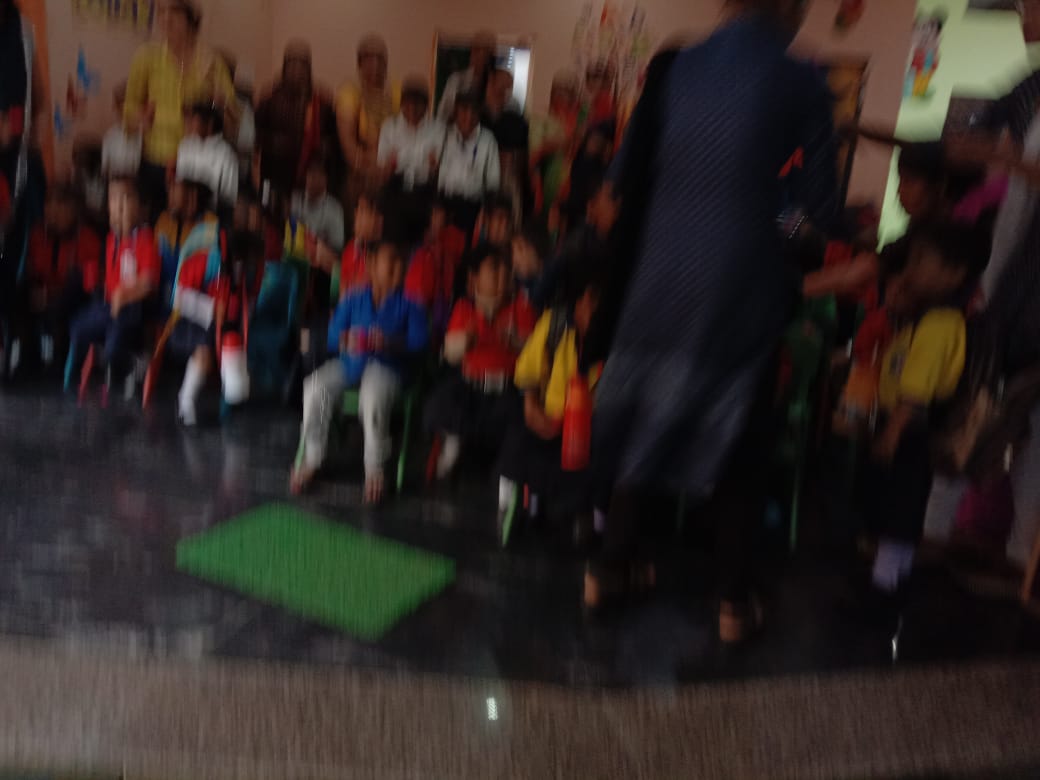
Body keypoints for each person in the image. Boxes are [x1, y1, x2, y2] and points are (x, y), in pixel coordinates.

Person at [585, 0, 839, 643]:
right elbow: (816, 221)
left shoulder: (673, 68)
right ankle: (731, 604)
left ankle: (606, 572)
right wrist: (769, 214)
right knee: (741, 439)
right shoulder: (803, 80)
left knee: (646, 414)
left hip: (658, 277)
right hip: (740, 286)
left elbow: (619, 186)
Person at [860, 221, 983, 607]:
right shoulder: (930, 318)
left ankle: (885, 593)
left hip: (910, 430)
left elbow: (917, 391)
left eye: (922, 262)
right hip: (906, 426)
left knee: (901, 511)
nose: (912, 270)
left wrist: (891, 434)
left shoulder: (940, 325)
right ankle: (886, 584)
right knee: (896, 508)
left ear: (954, 274)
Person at [291, 241, 428, 502]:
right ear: (372, 266)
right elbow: (333, 335)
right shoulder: (354, 298)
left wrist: (389, 342)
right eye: (391, 261)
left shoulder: (411, 303)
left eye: (401, 262)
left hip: (388, 366)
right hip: (351, 363)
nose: (398, 267)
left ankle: (375, 468)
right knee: (314, 387)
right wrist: (346, 339)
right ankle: (313, 457)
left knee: (372, 396)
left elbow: (420, 342)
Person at [497, 265, 602, 534]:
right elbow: (528, 370)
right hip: (547, 418)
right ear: (578, 303)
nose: (594, 310)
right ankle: (514, 508)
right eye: (590, 300)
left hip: (591, 428)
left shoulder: (616, 338)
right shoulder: (556, 324)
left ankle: (589, 518)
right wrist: (532, 407)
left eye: (600, 302)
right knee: (518, 435)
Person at [425, 245, 536, 480]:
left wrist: (516, 342)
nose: (503, 274)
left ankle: (507, 478)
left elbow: (535, 352)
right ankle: (453, 441)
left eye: (506, 269)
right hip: (471, 387)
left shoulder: (522, 307)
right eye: (494, 269)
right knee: (441, 403)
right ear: (474, 278)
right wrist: (464, 341)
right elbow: (449, 352)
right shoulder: (464, 308)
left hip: (507, 389)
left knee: (521, 420)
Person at [124, 0, 235, 213]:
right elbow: (129, 108)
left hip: (198, 165)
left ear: (191, 18)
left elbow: (232, 118)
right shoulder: (146, 57)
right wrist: (139, 119)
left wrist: (217, 100)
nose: (165, 19)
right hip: (157, 160)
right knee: (158, 224)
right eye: (161, 12)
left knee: (197, 227)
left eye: (174, 11)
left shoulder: (211, 61)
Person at [69, 176, 160, 400]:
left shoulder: (145, 240)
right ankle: (98, 360)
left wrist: (125, 295)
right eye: (113, 199)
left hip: (133, 309)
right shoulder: (111, 239)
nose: (119, 205)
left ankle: (136, 363)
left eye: (126, 198)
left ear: (140, 207)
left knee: (114, 346)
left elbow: (149, 282)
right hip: (108, 305)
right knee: (78, 328)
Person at [166, 183, 224, 426]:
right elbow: (179, 298)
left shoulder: (233, 267)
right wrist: (210, 309)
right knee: (203, 353)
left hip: (221, 323)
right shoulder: (200, 259)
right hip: (190, 321)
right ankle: (186, 400)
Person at [25, 184, 102, 364]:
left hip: (73, 301)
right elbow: (31, 269)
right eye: (49, 203)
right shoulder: (37, 234)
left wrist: (51, 295)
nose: (52, 210)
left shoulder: (89, 240)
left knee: (74, 286)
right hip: (42, 295)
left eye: (60, 203)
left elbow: (87, 284)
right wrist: (36, 291)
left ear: (74, 209)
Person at [255, 41, 338, 197]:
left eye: (302, 65)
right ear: (285, 67)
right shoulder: (270, 97)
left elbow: (333, 136)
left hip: (310, 173)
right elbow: (255, 132)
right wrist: (273, 142)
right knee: (271, 205)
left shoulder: (322, 100)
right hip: (275, 168)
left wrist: (322, 146)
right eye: (292, 64)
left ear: (309, 68)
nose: (297, 70)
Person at [377, 75, 444, 243]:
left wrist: (399, 158)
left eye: (418, 103)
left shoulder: (438, 128)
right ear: (401, 104)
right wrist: (421, 158)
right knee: (393, 238)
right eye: (408, 103)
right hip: (396, 187)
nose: (412, 109)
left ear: (426, 105)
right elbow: (384, 168)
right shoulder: (390, 127)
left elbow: (437, 166)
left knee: (421, 241)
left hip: (425, 190)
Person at [336, 34, 399, 201]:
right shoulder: (349, 91)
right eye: (369, 59)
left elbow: (406, 133)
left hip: (391, 172)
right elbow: (348, 143)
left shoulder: (396, 90)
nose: (375, 65)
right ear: (359, 63)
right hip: (360, 173)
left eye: (380, 59)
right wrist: (366, 167)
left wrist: (389, 166)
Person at [438, 92, 500, 237]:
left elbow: (493, 182)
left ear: (480, 113)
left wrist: (485, 210)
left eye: (474, 112)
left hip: (472, 205)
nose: (469, 116)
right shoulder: (445, 135)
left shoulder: (488, 140)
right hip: (445, 203)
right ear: (456, 112)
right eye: (464, 111)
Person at [155, 176, 219, 308]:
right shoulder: (164, 220)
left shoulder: (210, 224)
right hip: (162, 299)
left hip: (193, 302)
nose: (170, 193)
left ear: (192, 195)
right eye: (170, 188)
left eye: (175, 188)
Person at [529, 71, 579, 220]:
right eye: (560, 91)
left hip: (574, 180)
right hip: (549, 177)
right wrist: (559, 143)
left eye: (569, 91)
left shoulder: (579, 117)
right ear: (553, 92)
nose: (564, 96)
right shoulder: (542, 117)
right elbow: (534, 152)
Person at [176, 100, 239, 213]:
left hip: (213, 212)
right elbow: (180, 180)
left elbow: (229, 196)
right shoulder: (185, 145)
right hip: (185, 210)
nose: (190, 124)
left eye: (195, 120)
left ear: (209, 124)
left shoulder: (226, 154)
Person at [437, 30, 497, 122]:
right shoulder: (456, 79)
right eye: (474, 50)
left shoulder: (495, 82)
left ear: (490, 55)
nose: (476, 55)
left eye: (483, 51)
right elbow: (443, 112)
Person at [291, 155, 346, 255]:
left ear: (325, 179)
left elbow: (337, 248)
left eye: (318, 173)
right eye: (310, 172)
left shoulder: (334, 208)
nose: (313, 177)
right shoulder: (294, 199)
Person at [338, 189, 386, 297]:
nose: (357, 216)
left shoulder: (384, 254)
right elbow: (342, 292)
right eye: (357, 210)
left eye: (363, 211)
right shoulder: (351, 247)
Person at [101, 82, 143, 179]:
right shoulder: (110, 136)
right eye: (120, 106)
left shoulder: (146, 136)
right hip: (116, 183)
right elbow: (105, 170)